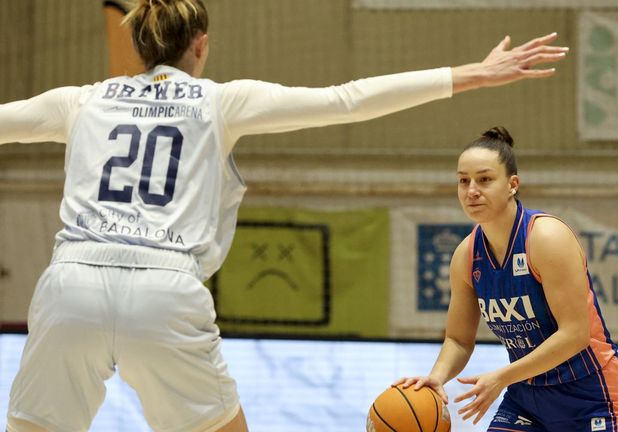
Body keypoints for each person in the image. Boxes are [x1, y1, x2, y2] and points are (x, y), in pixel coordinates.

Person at [0, 0, 568, 430]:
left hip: (71, 282)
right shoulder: (220, 100)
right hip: (163, 288)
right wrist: (475, 72)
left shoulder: (80, 100)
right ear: (200, 45)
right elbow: (347, 99)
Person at [395, 127, 618, 431]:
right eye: (463, 180)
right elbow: (458, 339)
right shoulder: (465, 256)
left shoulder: (546, 237)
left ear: (512, 185)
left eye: (484, 179)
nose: (471, 190)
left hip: (589, 393)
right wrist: (437, 376)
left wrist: (501, 377)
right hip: (527, 397)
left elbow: (575, 334)